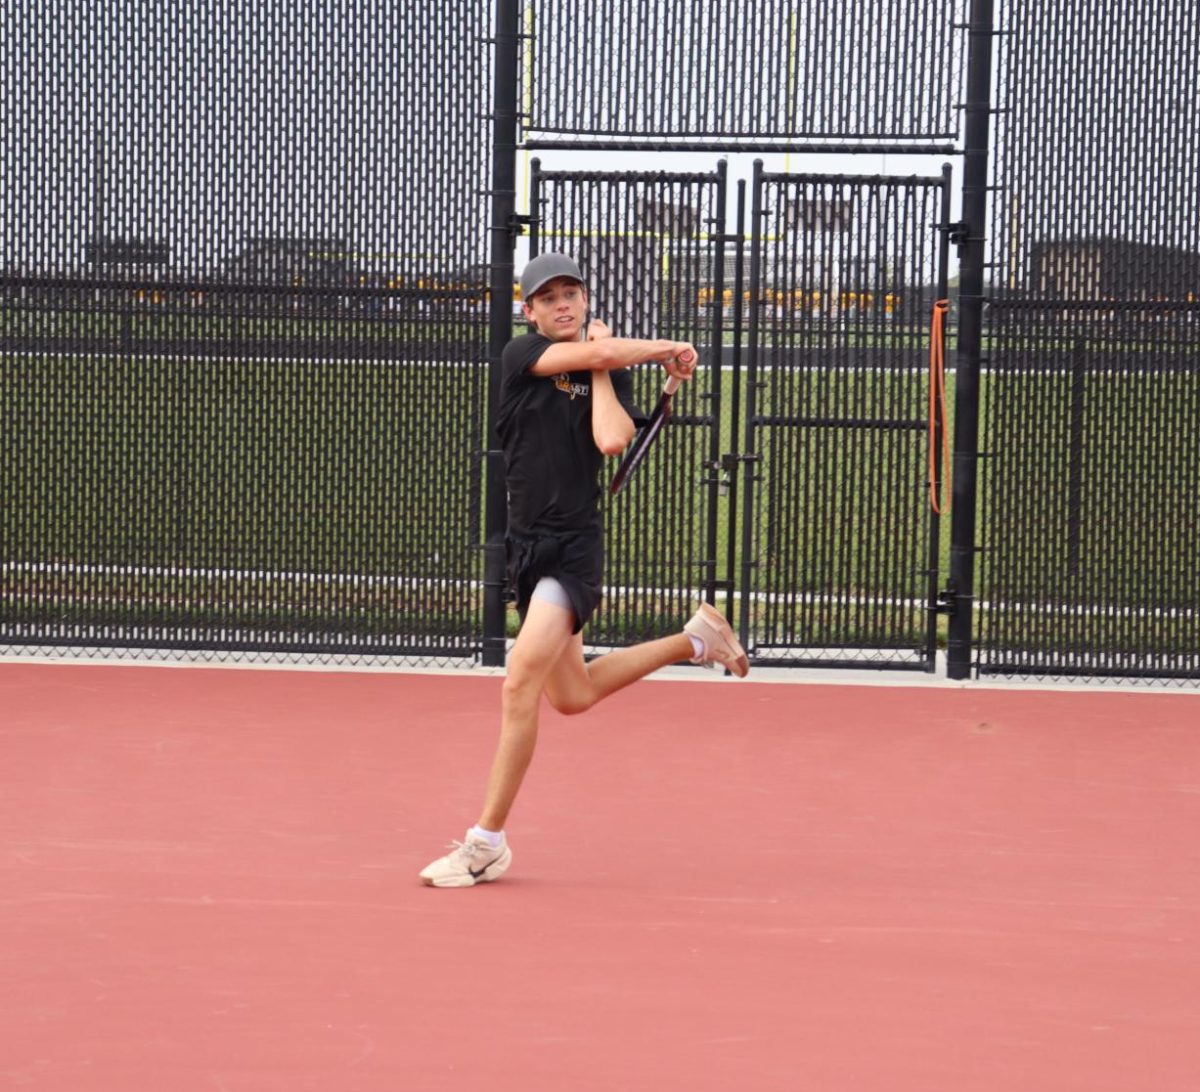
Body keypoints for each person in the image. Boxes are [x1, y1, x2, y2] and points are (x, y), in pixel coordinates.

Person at [419, 252, 749, 888]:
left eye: (572, 293)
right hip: (525, 547)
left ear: (586, 300)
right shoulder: (521, 357)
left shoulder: (605, 371)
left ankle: (486, 842)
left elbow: (611, 441)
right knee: (573, 696)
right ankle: (697, 639)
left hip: (571, 549)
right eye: (548, 298)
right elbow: (590, 360)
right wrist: (657, 349)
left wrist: (605, 365)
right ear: (530, 311)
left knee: (519, 683)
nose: (562, 304)